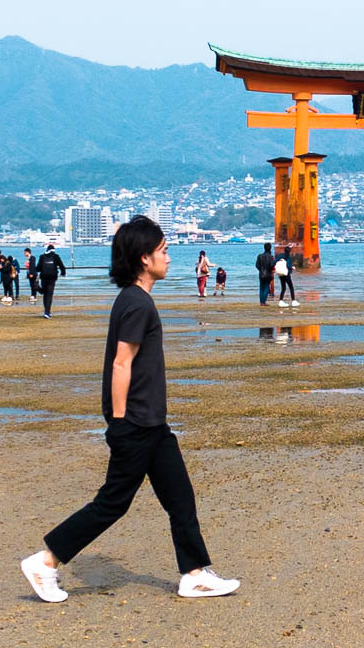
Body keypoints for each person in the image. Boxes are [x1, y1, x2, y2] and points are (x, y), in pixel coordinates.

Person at [20, 216, 238, 604]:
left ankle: (194, 574)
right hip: (136, 423)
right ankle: (46, 561)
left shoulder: (134, 300)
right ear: (144, 259)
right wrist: (119, 423)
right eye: (163, 251)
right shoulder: (137, 304)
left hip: (152, 423)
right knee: (113, 502)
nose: (169, 258)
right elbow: (122, 363)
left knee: (180, 497)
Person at [37, 241, 66, 317]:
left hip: (43, 277)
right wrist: (63, 273)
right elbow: (62, 266)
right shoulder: (56, 256)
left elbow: (38, 268)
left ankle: (46, 311)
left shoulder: (42, 256)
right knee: (49, 295)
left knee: (45, 294)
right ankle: (47, 312)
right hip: (52, 278)